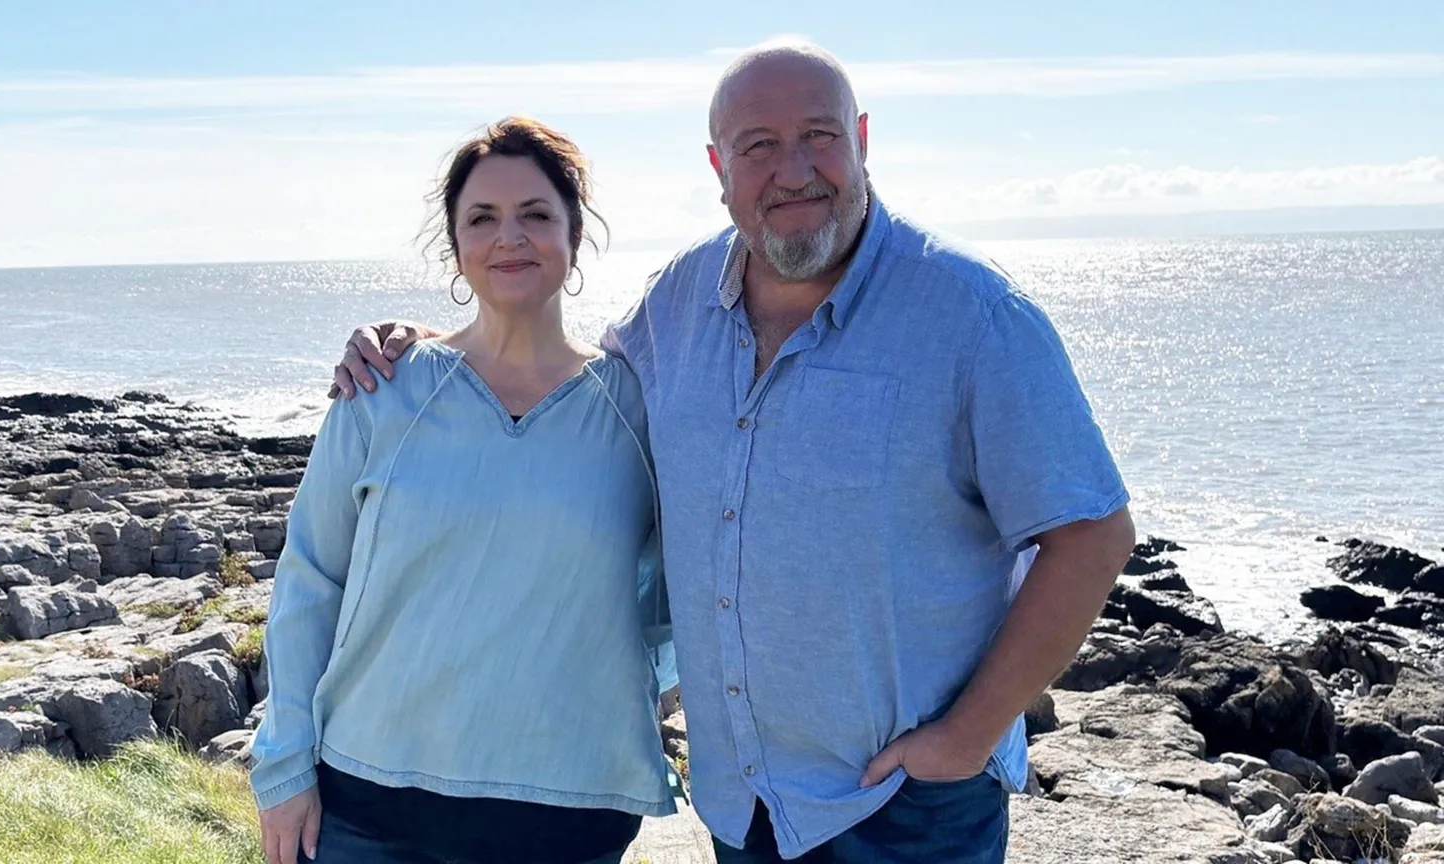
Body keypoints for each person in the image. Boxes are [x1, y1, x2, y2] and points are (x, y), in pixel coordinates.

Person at [330, 40, 1136, 864]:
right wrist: (433, 350)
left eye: (819, 136)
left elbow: (1092, 535)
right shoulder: (678, 304)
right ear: (718, 166)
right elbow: (568, 386)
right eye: (757, 146)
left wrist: (967, 738)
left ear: (861, 138)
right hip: (742, 805)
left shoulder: (974, 316)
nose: (792, 170)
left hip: (906, 809)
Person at [250, 116, 678, 864]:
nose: (509, 237)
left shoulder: (636, 408)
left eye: (536, 215)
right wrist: (284, 763)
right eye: (483, 218)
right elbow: (310, 577)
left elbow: (691, 590)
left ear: (575, 238)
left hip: (567, 819)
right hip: (366, 812)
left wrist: (652, 699)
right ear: (455, 249)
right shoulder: (381, 387)